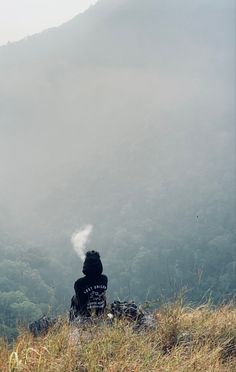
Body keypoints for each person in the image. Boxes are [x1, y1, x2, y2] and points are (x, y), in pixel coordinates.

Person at [70, 250, 108, 321]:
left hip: (85, 318)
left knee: (74, 298)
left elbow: (81, 304)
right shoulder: (104, 279)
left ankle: (72, 322)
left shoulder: (79, 283)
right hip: (102, 314)